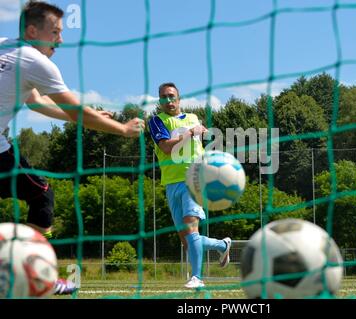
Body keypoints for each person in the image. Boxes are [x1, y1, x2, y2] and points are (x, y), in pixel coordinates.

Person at [0, 1, 145, 294]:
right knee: (42, 195)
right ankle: (35, 274)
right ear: (32, 30)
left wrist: (82, 114)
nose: (61, 40)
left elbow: (35, 101)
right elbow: (75, 111)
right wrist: (121, 129)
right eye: (54, 32)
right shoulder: (35, 61)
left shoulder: (5, 46)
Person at [148, 82, 231, 289]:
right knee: (187, 240)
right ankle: (222, 245)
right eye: (163, 97)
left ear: (179, 98)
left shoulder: (193, 118)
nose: (168, 100)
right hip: (171, 183)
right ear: (159, 101)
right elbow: (166, 148)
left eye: (171, 96)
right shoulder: (157, 121)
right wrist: (191, 133)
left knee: (191, 227)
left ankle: (197, 277)